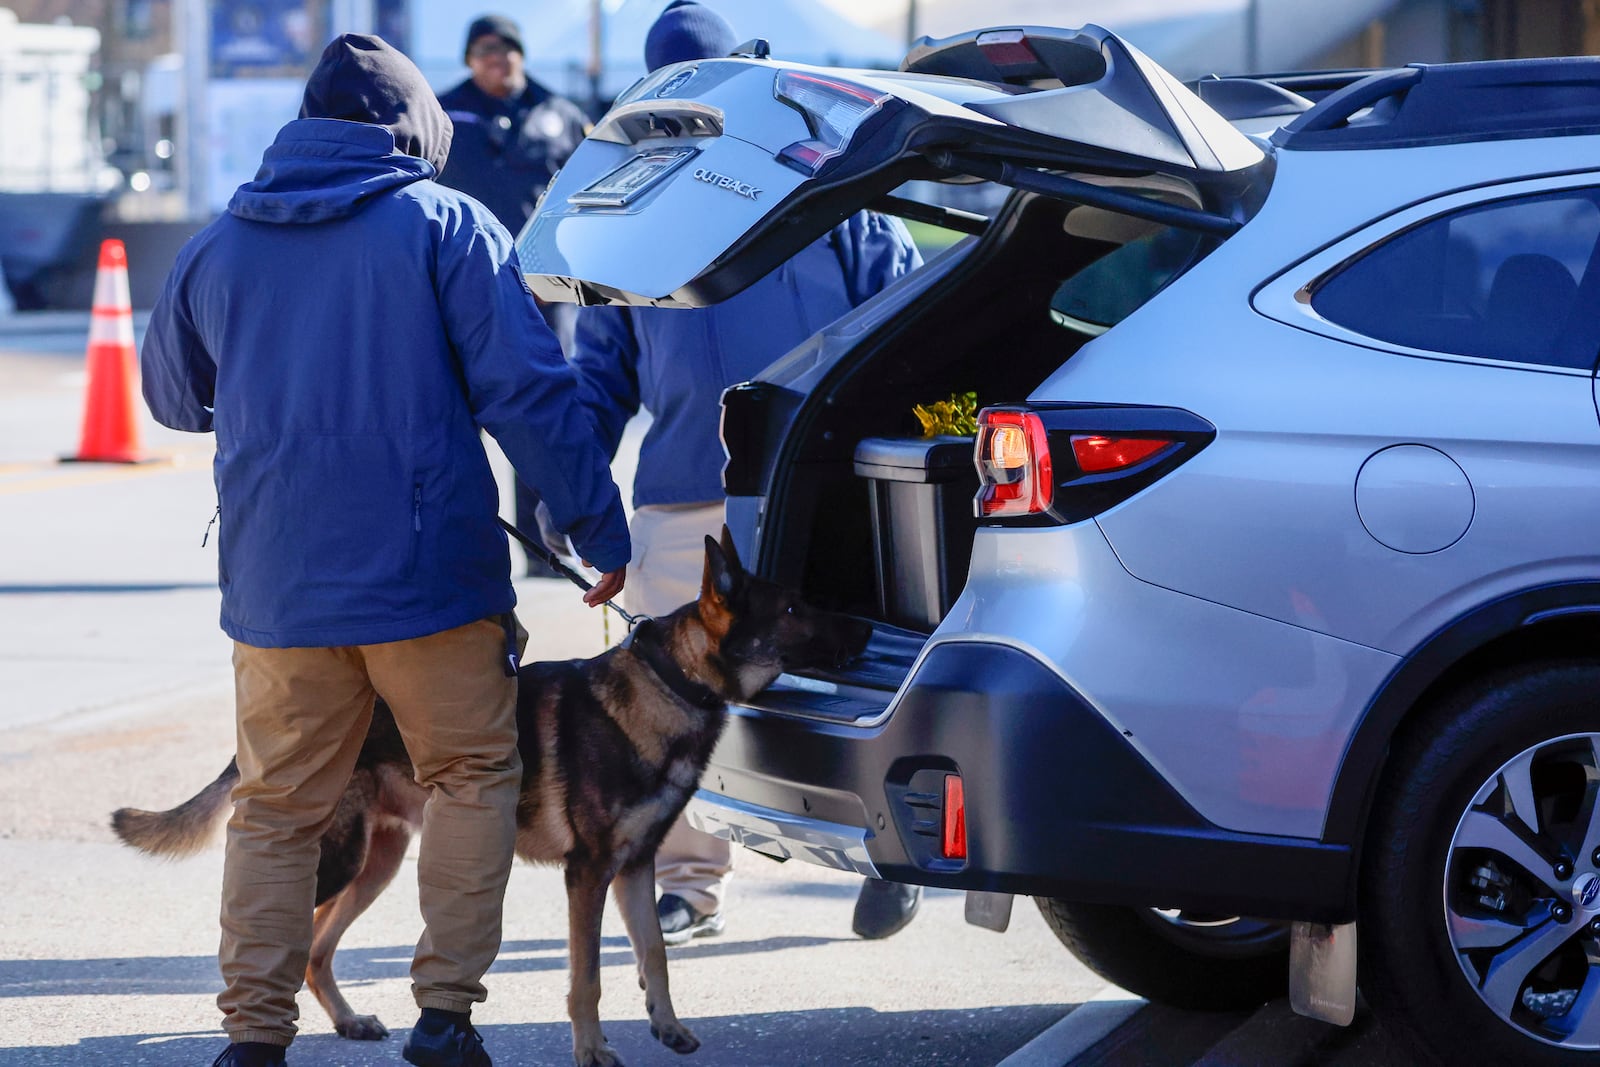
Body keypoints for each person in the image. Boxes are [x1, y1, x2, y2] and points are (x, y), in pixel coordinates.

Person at [139, 34, 628, 1067]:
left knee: (276, 806)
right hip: (429, 581)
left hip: (278, 583)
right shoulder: (445, 224)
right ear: (411, 130)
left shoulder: (220, 240)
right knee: (471, 774)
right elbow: (529, 393)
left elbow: (175, 398)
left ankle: (253, 1035)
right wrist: (595, 525)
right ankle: (445, 1016)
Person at [567, 0, 926, 947]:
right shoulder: (629, 217)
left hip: (814, 500)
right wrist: (578, 500)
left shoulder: (820, 191)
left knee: (846, 693)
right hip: (684, 497)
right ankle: (688, 881)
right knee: (664, 710)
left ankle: (895, 858)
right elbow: (599, 376)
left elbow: (899, 326)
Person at [435, 13, 594, 574]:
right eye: (482, 50)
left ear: (521, 54)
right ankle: (458, 549)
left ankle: (545, 546)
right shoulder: (442, 113)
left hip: (544, 294)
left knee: (542, 412)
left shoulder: (562, 114)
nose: (495, 59)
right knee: (452, 418)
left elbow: (593, 196)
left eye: (505, 49)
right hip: (460, 291)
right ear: (468, 58)